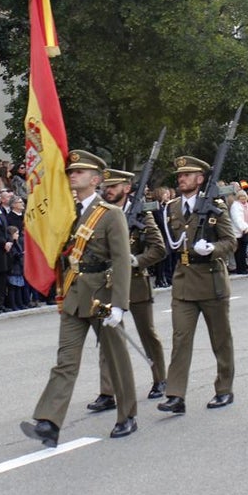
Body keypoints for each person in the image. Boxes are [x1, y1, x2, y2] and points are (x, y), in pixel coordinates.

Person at [21, 151, 137, 447]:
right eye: (72, 171)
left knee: (115, 358)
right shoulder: (66, 213)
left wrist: (121, 305)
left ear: (96, 180)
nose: (73, 175)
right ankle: (49, 423)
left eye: (80, 172)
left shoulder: (110, 214)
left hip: (102, 297)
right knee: (65, 361)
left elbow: (122, 260)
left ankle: (127, 415)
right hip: (73, 295)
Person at [157, 155, 237, 415]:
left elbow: (230, 241)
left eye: (187, 175)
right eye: (180, 175)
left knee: (220, 339)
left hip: (211, 279)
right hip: (183, 281)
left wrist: (213, 248)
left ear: (200, 179)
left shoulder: (215, 206)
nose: (181, 179)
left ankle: (224, 389)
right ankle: (175, 395)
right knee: (180, 339)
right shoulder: (172, 208)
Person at [87, 167, 168, 411]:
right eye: (106, 187)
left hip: (135, 283)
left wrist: (137, 260)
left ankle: (160, 379)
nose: (108, 191)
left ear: (126, 188)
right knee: (108, 336)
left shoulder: (143, 215)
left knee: (147, 334)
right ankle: (107, 392)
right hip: (106, 285)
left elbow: (159, 248)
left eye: (113, 187)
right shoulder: (99, 213)